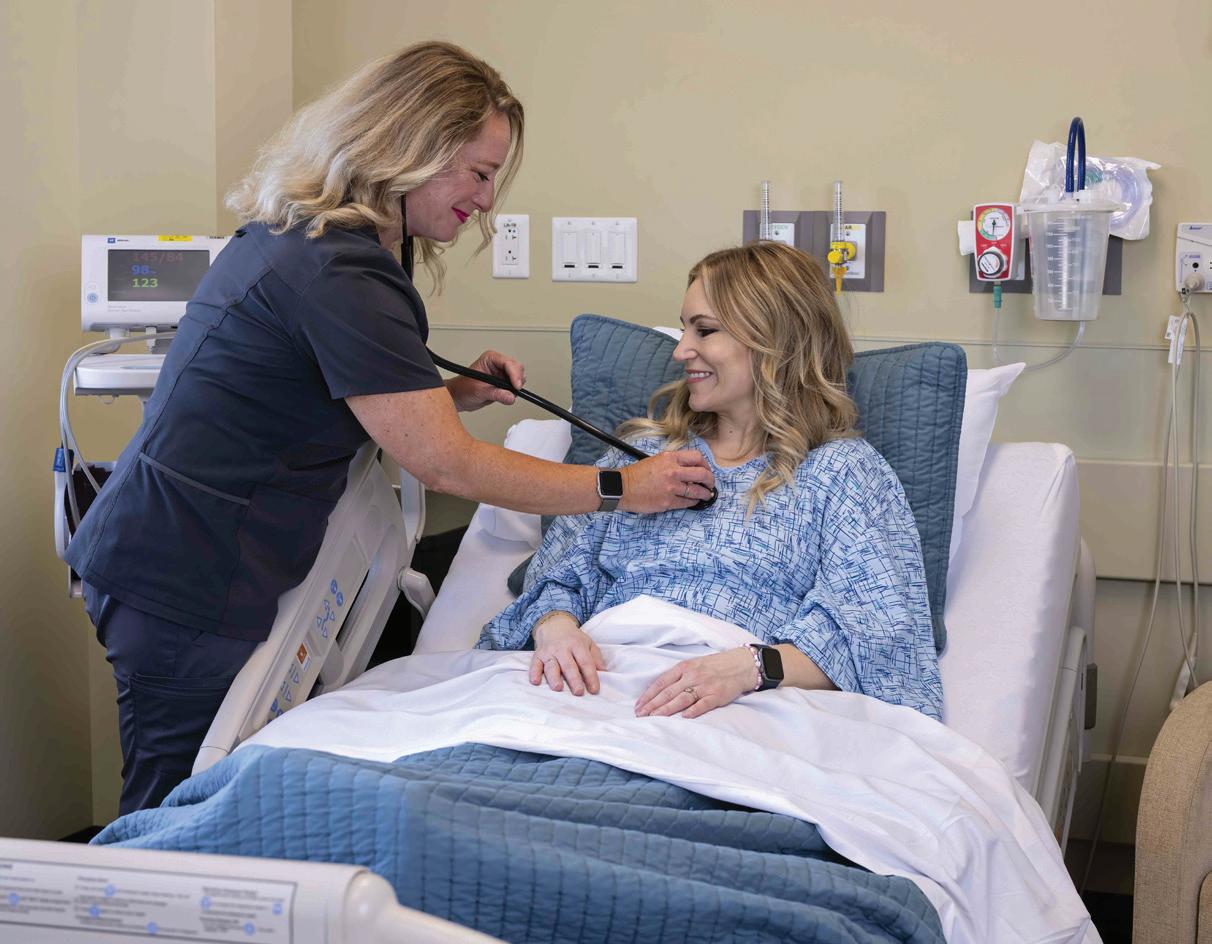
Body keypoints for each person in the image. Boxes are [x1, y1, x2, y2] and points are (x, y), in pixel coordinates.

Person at [66, 41, 714, 816]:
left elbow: (327, 390)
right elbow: (446, 466)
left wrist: (446, 395)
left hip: (200, 556)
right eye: (478, 173)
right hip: (182, 570)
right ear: (410, 149)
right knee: (167, 810)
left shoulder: (332, 242)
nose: (486, 201)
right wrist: (625, 486)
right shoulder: (334, 269)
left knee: (203, 799)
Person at [479, 242, 943, 722]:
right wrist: (556, 629)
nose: (681, 350)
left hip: (739, 699)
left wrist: (746, 667)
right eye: (684, 328)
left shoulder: (842, 472)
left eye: (704, 330)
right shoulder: (642, 457)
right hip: (595, 678)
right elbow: (557, 574)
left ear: (774, 340)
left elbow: (876, 639)